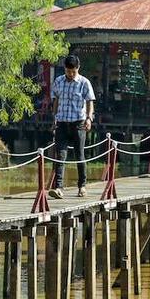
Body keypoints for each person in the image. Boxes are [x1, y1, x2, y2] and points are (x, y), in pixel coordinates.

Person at [49, 55, 95, 199]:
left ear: (78, 69)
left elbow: (89, 102)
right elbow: (55, 100)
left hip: (78, 123)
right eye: (68, 71)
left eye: (73, 71)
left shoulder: (84, 82)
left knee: (79, 155)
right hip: (62, 122)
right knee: (60, 155)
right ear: (65, 69)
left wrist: (89, 118)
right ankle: (58, 188)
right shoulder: (58, 81)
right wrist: (54, 118)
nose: (70, 74)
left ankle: (82, 186)